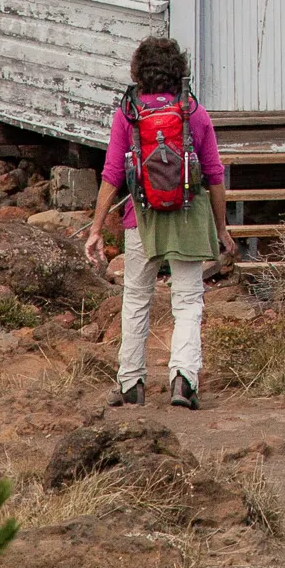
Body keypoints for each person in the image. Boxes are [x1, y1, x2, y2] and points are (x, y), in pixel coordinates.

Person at [83, 35, 229, 409]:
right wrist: (222, 228)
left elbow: (112, 173)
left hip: (141, 216)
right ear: (179, 70)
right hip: (188, 215)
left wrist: (97, 228)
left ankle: (131, 382)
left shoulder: (128, 113)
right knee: (188, 300)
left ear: (139, 72)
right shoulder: (193, 112)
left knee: (136, 299)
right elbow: (213, 174)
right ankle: (183, 379)